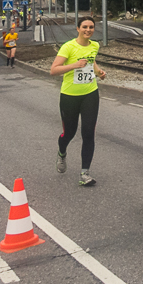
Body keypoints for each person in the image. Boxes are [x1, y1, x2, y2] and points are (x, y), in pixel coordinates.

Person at [49, 16, 107, 187]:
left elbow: (91, 62)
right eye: (85, 27)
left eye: (91, 27)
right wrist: (74, 65)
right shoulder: (68, 47)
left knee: (88, 133)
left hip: (90, 94)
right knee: (69, 133)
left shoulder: (95, 45)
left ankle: (85, 173)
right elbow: (54, 70)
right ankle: (62, 152)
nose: (88, 30)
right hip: (69, 96)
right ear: (78, 28)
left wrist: (99, 73)